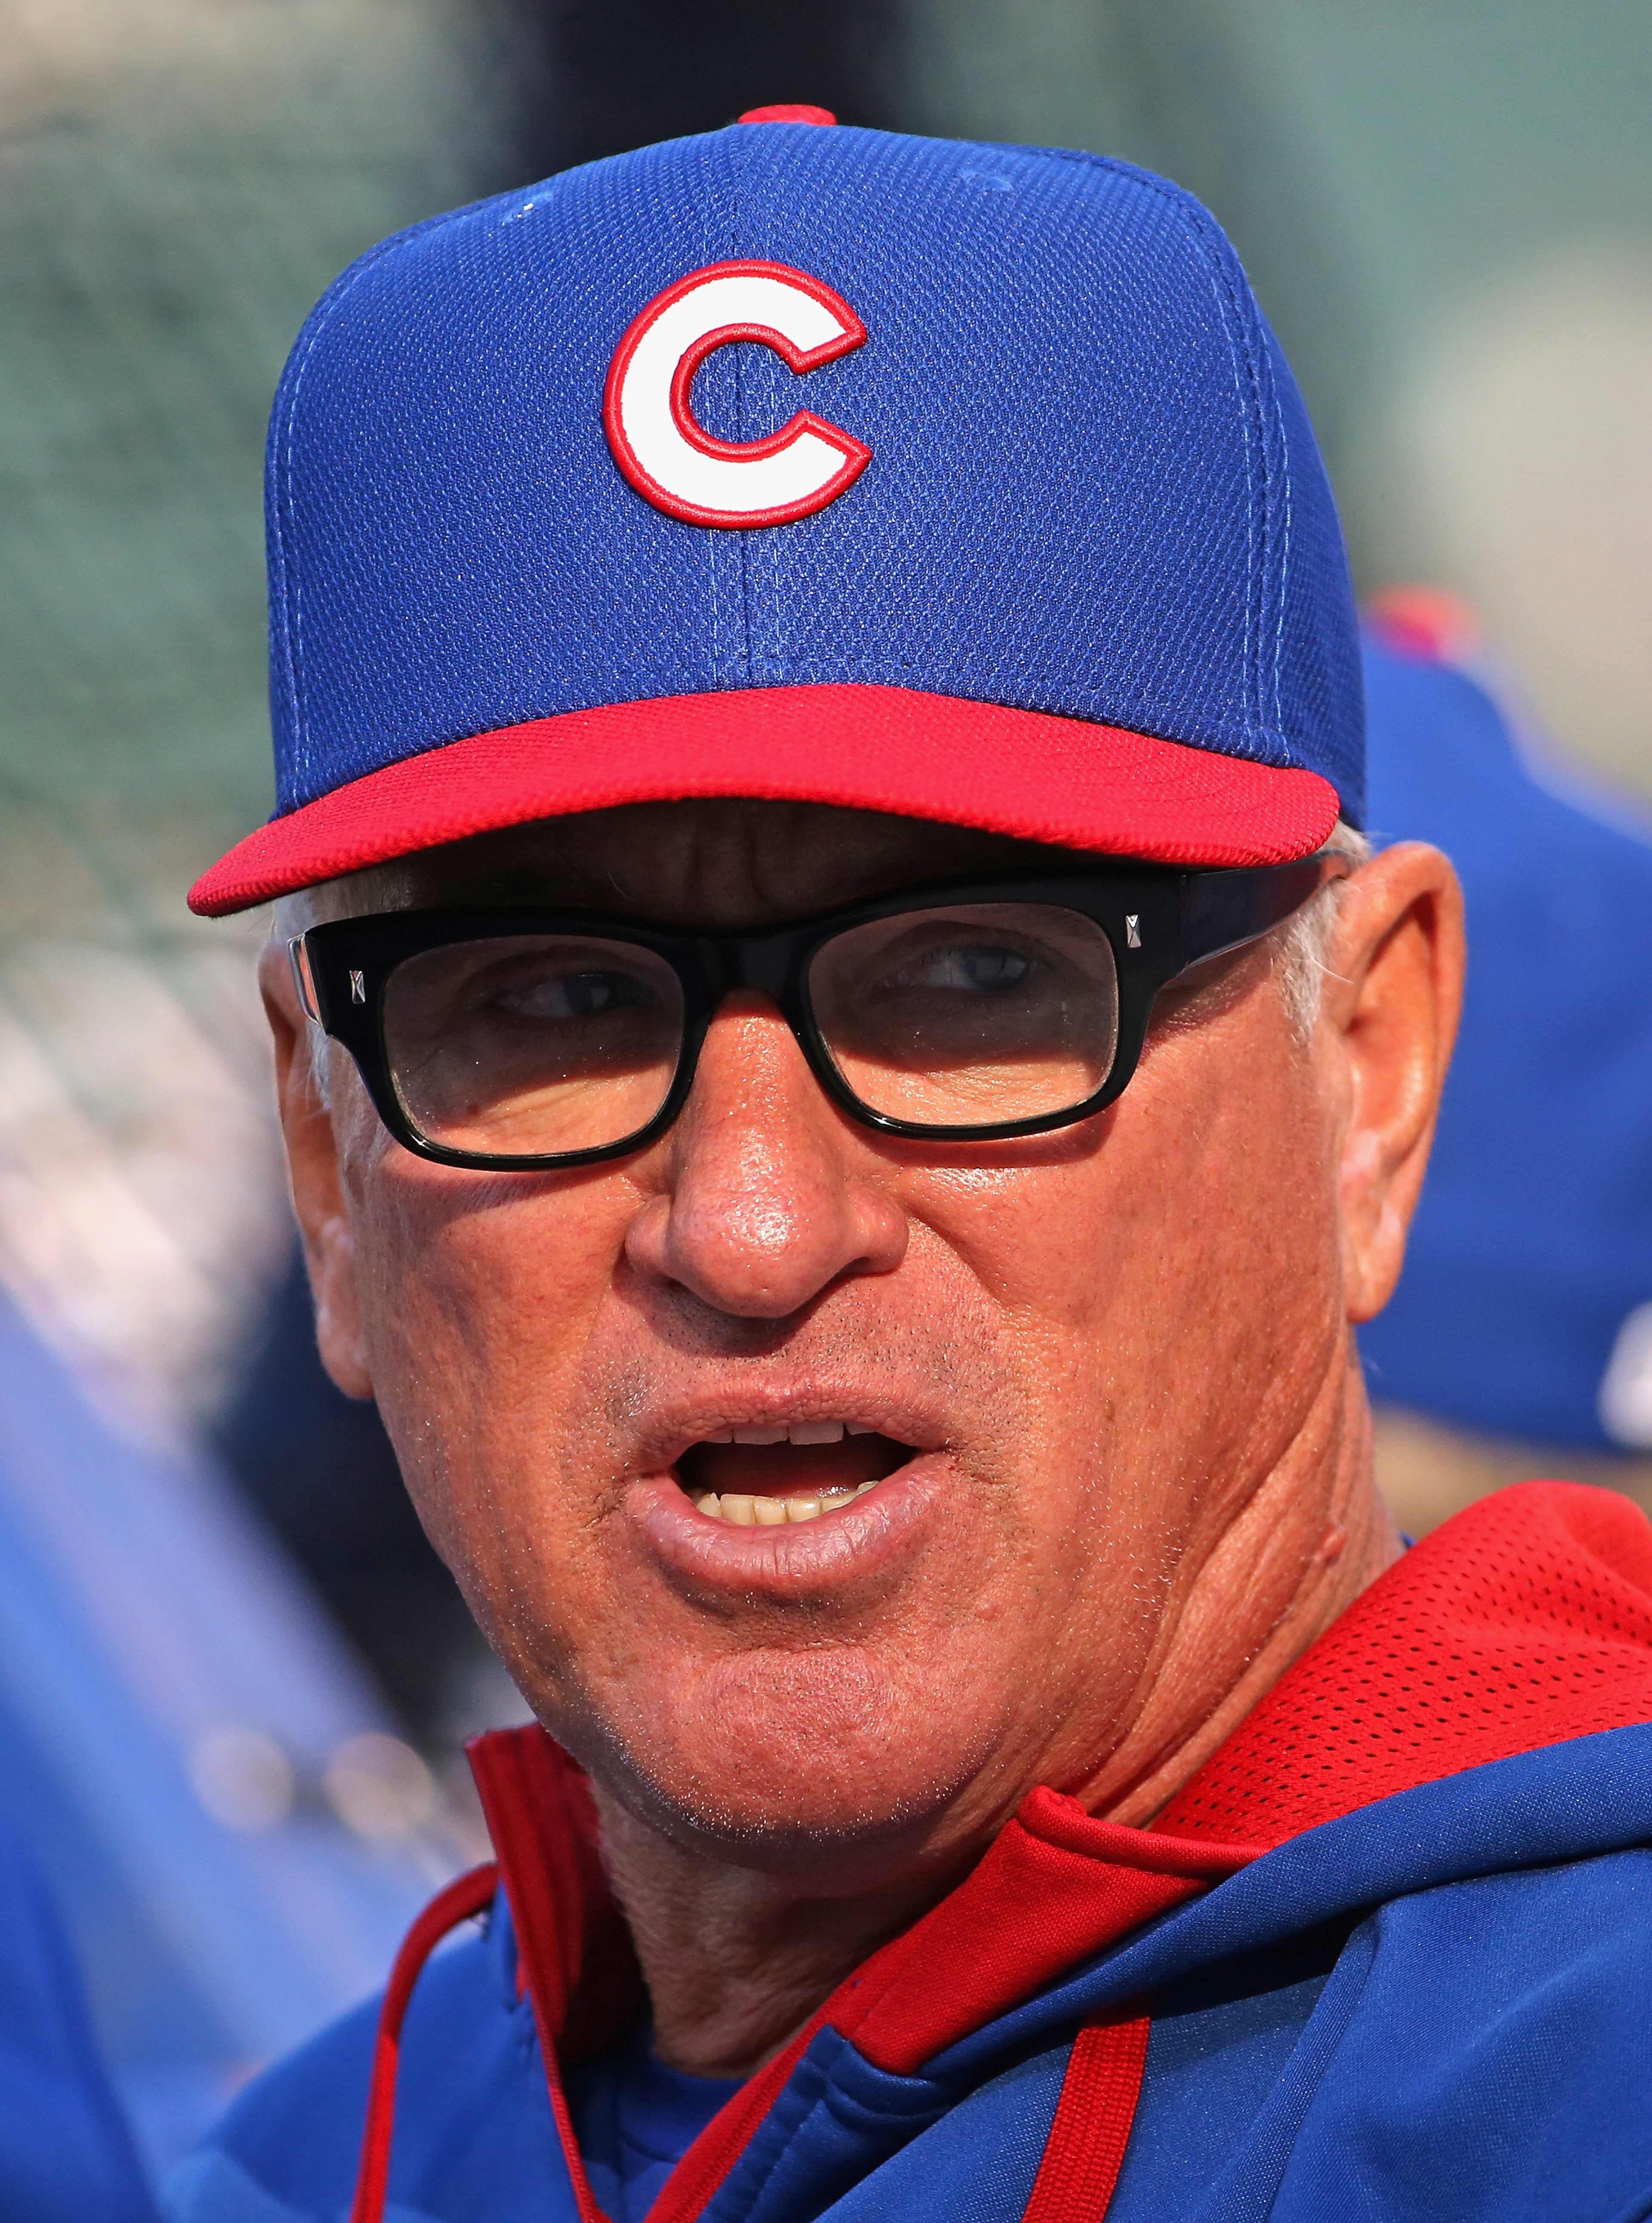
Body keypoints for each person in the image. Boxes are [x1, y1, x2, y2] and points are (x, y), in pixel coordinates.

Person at [170, 109, 1652, 2223]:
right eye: (558, 1002)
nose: (756, 1224)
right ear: (331, 1168)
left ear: (1375, 1071)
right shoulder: (301, 2162)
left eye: (974, 976)